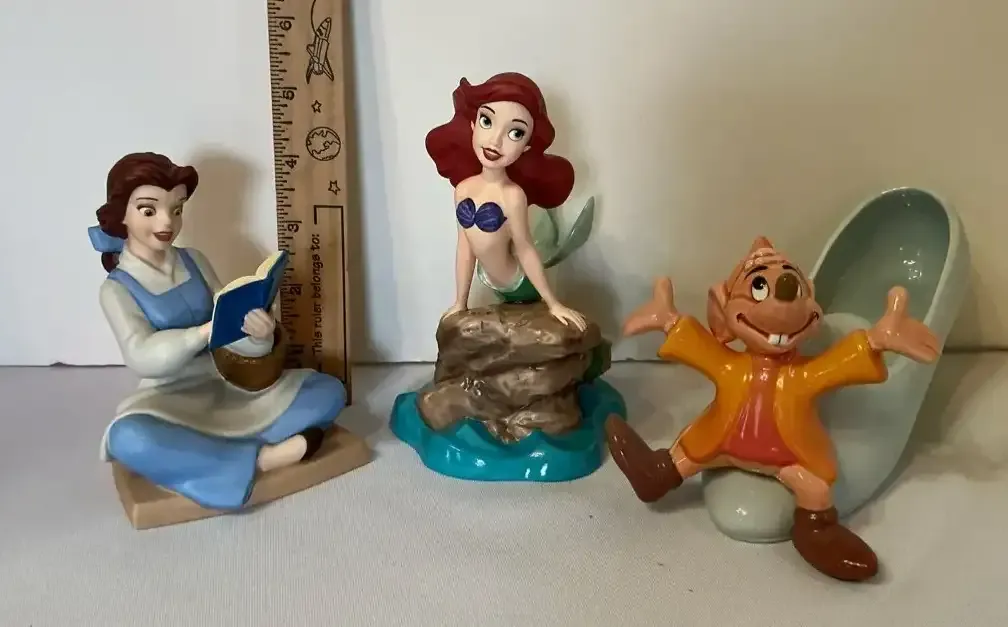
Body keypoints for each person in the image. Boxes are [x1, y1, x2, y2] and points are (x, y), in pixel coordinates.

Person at [88, 152, 347, 511]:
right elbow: (142, 356)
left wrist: (258, 335)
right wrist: (202, 333)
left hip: (226, 383)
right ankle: (262, 459)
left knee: (328, 390)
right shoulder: (116, 289)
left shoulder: (194, 260)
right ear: (121, 214)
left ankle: (210, 454)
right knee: (128, 439)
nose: (166, 222)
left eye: (176, 209)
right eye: (149, 210)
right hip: (168, 400)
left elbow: (229, 328)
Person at [425, 72, 595, 330]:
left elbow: (525, 249)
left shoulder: (512, 196)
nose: (495, 141)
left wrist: (553, 303)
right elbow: (465, 246)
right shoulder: (463, 189)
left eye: (515, 133)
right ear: (472, 124)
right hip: (488, 279)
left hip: (519, 284)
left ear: (526, 146)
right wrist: (460, 302)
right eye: (487, 121)